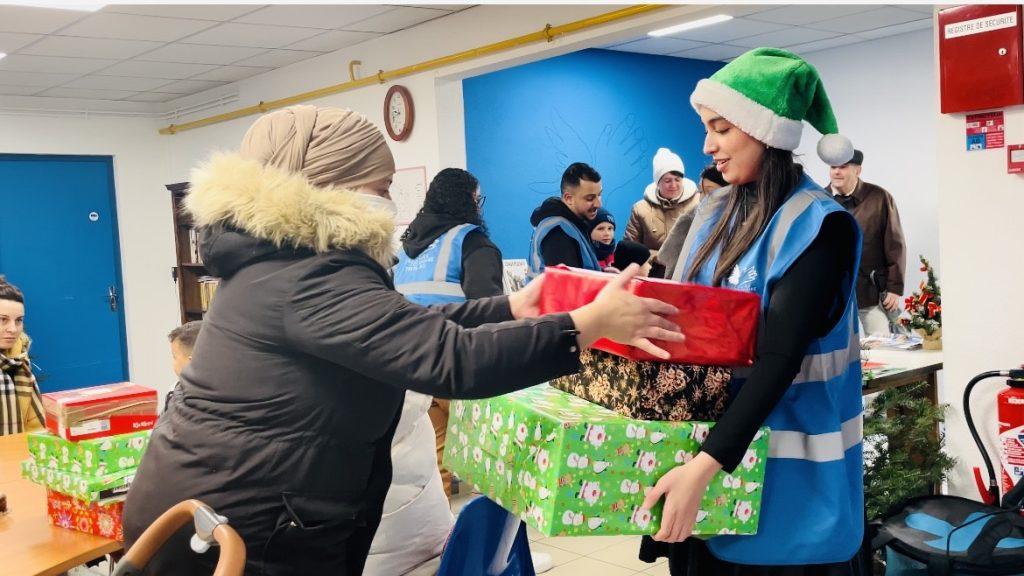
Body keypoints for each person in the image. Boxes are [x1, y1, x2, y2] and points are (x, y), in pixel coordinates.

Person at [123, 105, 684, 576]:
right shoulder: (304, 275)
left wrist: (516, 305)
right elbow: (452, 361)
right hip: (233, 529)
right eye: (381, 187)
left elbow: (402, 324)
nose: (390, 203)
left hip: (233, 502)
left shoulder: (285, 263)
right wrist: (587, 326)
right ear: (329, 186)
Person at [640, 48, 867, 575]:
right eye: (705, 127)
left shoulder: (815, 227)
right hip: (705, 467)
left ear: (765, 132)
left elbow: (779, 358)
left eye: (721, 128)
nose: (707, 145)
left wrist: (705, 465)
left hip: (790, 488)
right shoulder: (712, 211)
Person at [369, 168, 502, 575]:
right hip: (458, 368)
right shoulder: (472, 243)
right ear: (469, 200)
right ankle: (471, 555)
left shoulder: (402, 247)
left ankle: (438, 554)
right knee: (479, 465)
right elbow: (490, 310)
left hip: (409, 371)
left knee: (427, 465)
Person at [826, 149, 907, 336]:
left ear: (858, 170)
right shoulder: (820, 200)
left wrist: (894, 288)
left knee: (883, 346)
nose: (836, 172)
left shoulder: (879, 197)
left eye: (843, 167)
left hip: (871, 291)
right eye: (833, 167)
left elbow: (895, 245)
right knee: (837, 352)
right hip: (832, 295)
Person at [625, 147, 700, 262]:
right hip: (652, 274)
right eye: (667, 181)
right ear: (657, 182)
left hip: (688, 273)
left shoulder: (699, 203)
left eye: (677, 179)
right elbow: (629, 249)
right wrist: (658, 257)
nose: (673, 185)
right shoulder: (640, 209)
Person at [528, 162, 603, 274]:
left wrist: (604, 275)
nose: (598, 204)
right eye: (590, 198)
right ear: (568, 198)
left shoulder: (573, 226)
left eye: (599, 195)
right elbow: (567, 288)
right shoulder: (558, 233)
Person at [0, 276, 44, 435]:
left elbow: (37, 430)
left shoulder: (20, 363)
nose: (13, 329)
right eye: (3, 320)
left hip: (18, 455)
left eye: (18, 320)